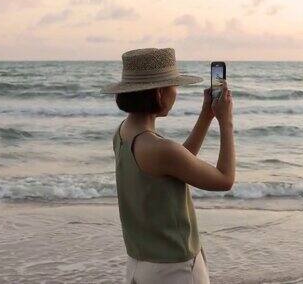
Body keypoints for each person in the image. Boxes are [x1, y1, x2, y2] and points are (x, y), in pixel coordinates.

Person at [100, 48, 235, 284]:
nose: (176, 92)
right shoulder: (160, 149)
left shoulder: (124, 134)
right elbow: (224, 179)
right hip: (176, 270)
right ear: (160, 94)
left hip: (138, 266)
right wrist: (226, 121)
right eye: (174, 86)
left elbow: (178, 164)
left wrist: (206, 115)